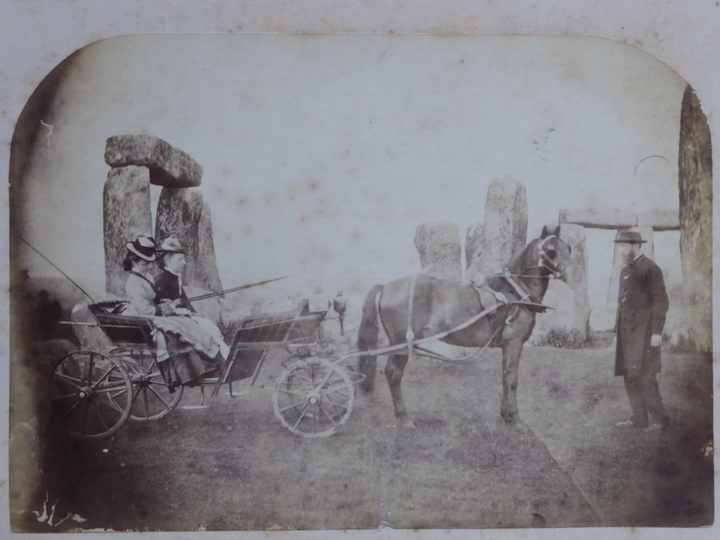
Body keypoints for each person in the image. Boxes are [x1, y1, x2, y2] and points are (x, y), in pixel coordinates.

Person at [153, 237, 229, 387]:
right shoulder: (161, 281)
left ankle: (224, 361)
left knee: (210, 326)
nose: (184, 263)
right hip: (174, 319)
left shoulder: (175, 278)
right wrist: (187, 313)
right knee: (206, 330)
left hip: (184, 316)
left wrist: (194, 313)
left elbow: (184, 300)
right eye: (180, 259)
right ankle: (217, 364)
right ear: (169, 262)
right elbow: (165, 308)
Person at [614, 230, 670, 431]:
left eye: (624, 246)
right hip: (627, 335)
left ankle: (661, 419)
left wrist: (656, 331)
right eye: (619, 246)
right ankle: (639, 418)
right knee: (630, 375)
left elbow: (660, 302)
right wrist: (617, 331)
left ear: (636, 246)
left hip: (645, 334)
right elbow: (623, 305)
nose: (621, 250)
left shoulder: (651, 269)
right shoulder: (625, 271)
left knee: (645, 376)